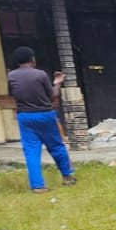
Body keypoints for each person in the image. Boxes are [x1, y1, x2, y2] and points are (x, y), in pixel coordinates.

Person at [6, 46, 75, 194]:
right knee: (56, 146)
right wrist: (57, 82)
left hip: (24, 117)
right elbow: (52, 96)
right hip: (45, 114)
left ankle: (38, 186)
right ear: (32, 59)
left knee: (31, 151)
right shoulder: (40, 74)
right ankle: (67, 176)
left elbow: (13, 94)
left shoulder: (11, 76)